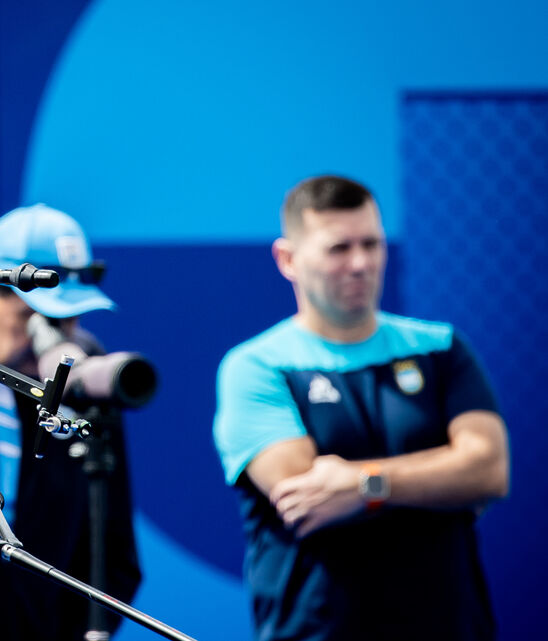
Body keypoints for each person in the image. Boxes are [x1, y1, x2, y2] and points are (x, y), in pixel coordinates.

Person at [212, 175, 510, 641]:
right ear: (287, 259)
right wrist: (437, 477)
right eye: (338, 248)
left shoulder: (441, 347)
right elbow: (305, 496)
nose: (360, 263)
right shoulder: (256, 366)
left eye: (372, 244)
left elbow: (488, 470)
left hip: (451, 626)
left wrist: (367, 485)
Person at [0, 204, 142, 641]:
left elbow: (112, 552)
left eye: (68, 318)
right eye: (38, 318)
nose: (56, 336)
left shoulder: (85, 385)